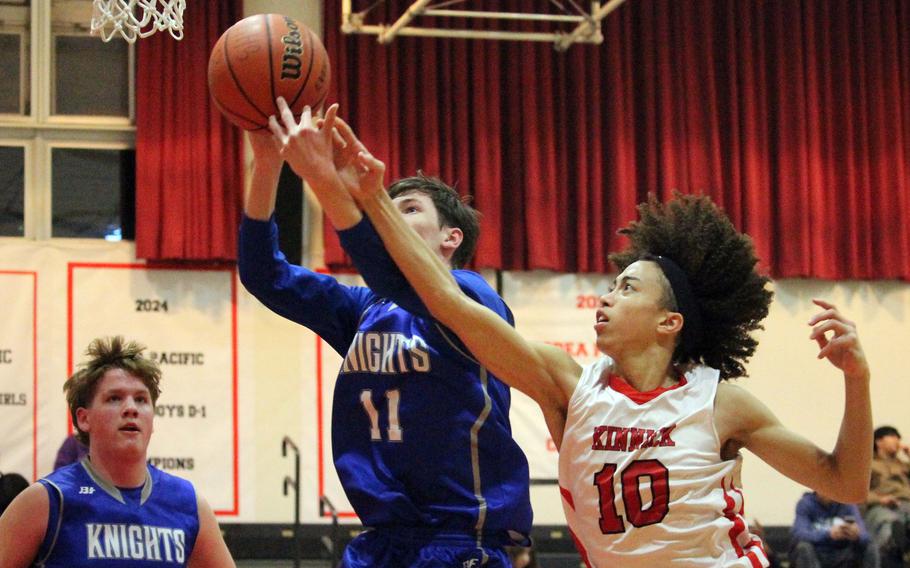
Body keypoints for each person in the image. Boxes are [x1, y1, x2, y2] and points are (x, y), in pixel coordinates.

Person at [271, 105, 874, 567]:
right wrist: (364, 194)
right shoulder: (567, 385)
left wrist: (857, 378)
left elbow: (844, 480)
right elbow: (444, 301)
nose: (609, 295)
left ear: (671, 322)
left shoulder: (719, 402)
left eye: (629, 288)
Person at [237, 99, 532, 567]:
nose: (389, 222)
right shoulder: (367, 307)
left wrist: (325, 179)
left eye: (409, 210)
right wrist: (269, 165)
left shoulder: (473, 298)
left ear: (450, 238)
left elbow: (395, 276)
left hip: (456, 540)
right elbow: (262, 274)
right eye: (384, 212)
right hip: (379, 543)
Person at [0, 337, 234, 568]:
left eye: (141, 399)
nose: (131, 408)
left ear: (152, 418)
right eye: (114, 398)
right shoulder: (47, 500)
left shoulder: (189, 504)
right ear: (84, 418)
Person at [790, 491, 879, 568]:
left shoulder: (847, 503)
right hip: (817, 553)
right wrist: (828, 534)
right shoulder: (805, 504)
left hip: (842, 554)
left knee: (870, 545)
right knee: (803, 547)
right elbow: (799, 533)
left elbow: (865, 535)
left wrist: (856, 535)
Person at [865, 425, 910, 567]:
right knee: (888, 523)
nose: (897, 441)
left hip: (906, 506)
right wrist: (880, 499)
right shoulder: (867, 465)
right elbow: (855, 493)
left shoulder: (903, 465)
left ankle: (903, 538)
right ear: (879, 441)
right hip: (881, 507)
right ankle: (895, 541)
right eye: (893, 436)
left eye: (898, 438)